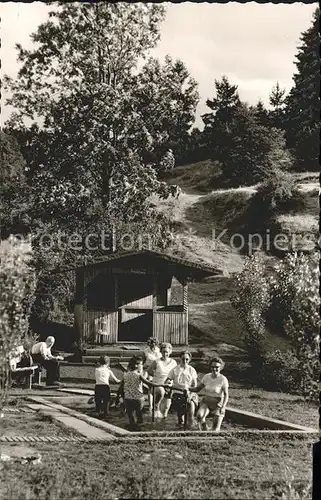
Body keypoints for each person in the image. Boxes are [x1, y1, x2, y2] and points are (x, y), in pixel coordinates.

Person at [188, 356, 229, 432]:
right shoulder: (206, 377)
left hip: (218, 404)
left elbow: (226, 395)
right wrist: (187, 388)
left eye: (217, 367)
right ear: (210, 367)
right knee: (199, 416)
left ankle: (211, 431)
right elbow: (197, 389)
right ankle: (205, 429)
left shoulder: (223, 379)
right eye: (212, 367)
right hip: (206, 402)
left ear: (221, 368)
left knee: (215, 430)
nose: (214, 369)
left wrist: (223, 407)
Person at [165, 350, 198, 429]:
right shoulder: (175, 369)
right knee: (181, 418)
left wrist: (191, 394)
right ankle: (180, 425)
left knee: (190, 405)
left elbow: (194, 384)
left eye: (187, 359)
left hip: (190, 393)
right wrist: (169, 382)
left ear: (189, 359)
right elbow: (167, 380)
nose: (185, 361)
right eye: (183, 359)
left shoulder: (192, 370)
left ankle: (190, 425)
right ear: (180, 358)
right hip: (178, 392)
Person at [121, 355, 153, 430]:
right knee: (139, 414)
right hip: (138, 399)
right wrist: (161, 384)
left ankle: (131, 428)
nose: (142, 366)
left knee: (130, 415)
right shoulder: (139, 375)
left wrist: (120, 397)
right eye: (141, 364)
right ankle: (139, 428)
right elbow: (149, 384)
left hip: (128, 398)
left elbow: (121, 387)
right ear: (136, 365)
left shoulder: (126, 375)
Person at [148, 342, 177, 419]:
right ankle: (155, 407)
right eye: (163, 352)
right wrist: (156, 377)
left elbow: (175, 374)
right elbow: (149, 371)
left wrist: (171, 380)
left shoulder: (174, 362)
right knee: (161, 391)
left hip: (169, 386)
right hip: (157, 385)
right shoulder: (157, 361)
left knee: (165, 410)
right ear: (160, 352)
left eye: (166, 352)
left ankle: (162, 423)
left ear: (170, 352)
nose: (165, 354)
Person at [142, 337, 161, 414]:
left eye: (154, 343)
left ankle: (156, 405)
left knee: (155, 387)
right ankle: (150, 406)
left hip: (156, 370)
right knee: (147, 383)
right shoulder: (145, 351)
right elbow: (143, 361)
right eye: (151, 343)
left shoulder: (159, 350)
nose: (153, 344)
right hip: (147, 369)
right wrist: (143, 367)